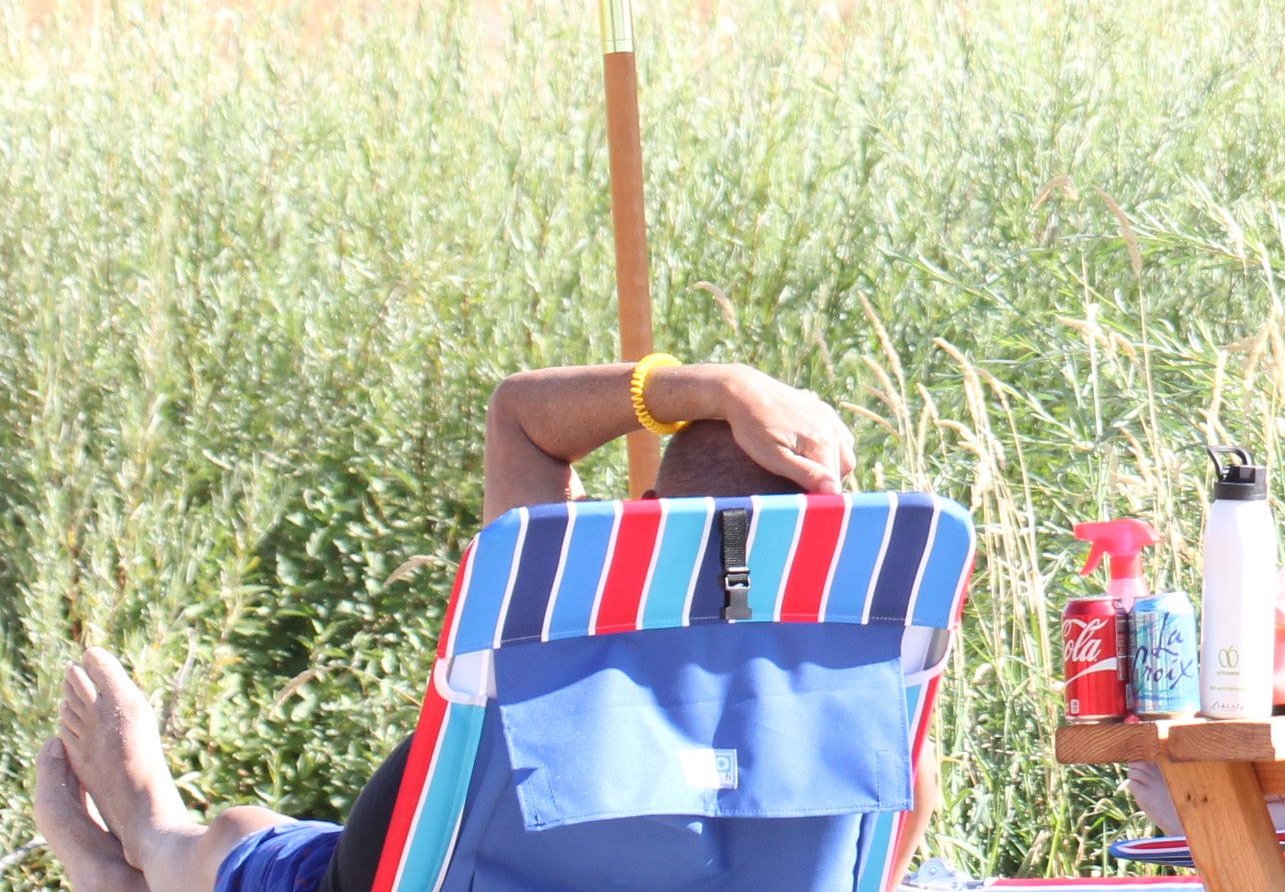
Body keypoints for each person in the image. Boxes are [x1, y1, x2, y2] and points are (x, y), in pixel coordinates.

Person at [30, 361, 864, 892]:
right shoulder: (858, 682)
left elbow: (520, 418)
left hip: (414, 877)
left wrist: (711, 389)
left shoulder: (562, 605)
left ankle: (136, 846)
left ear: (645, 518)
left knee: (241, 839)